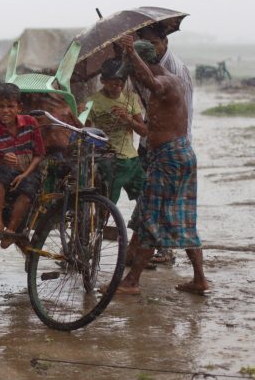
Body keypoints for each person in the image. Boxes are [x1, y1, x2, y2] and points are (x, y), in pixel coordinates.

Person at [107, 34, 209, 295]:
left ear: (144, 65)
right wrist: (130, 121)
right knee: (182, 217)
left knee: (151, 218)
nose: (133, 77)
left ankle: (132, 281)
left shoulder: (164, 82)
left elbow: (152, 81)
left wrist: (131, 53)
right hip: (178, 155)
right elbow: (149, 128)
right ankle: (199, 279)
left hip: (169, 158)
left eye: (133, 71)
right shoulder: (165, 85)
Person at [0, 83, 45, 248]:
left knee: (27, 193)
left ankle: (10, 230)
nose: (5, 111)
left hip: (29, 170)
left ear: (19, 107)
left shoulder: (30, 122)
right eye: (1, 106)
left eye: (10, 106)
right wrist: (4, 158)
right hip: (6, 170)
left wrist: (24, 174)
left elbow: (39, 154)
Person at [87, 62, 148, 205]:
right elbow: (86, 133)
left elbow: (143, 131)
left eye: (121, 84)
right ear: (103, 81)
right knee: (107, 205)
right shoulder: (92, 102)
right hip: (110, 162)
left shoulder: (131, 98)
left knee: (146, 198)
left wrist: (128, 119)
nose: (118, 88)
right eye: (114, 84)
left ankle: (140, 220)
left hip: (132, 160)